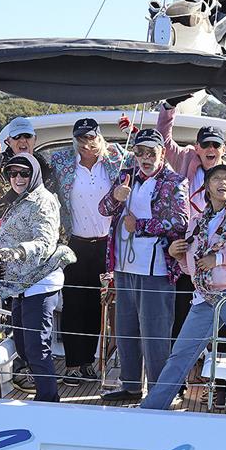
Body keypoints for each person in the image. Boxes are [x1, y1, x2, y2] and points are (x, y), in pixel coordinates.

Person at [141, 164, 226, 415]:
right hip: (204, 298)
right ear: (207, 188)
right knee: (181, 353)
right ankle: (153, 408)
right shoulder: (197, 222)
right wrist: (177, 255)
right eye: (217, 178)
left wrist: (219, 259)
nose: (223, 182)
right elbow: (191, 268)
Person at [155, 97, 226, 400]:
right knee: (182, 344)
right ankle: (158, 402)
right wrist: (169, 107)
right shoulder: (186, 163)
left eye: (216, 145)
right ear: (198, 148)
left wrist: (222, 259)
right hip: (197, 277)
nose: (210, 149)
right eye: (205, 144)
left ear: (223, 150)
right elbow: (164, 140)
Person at [98, 128, 189, 402]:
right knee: (125, 328)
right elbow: (103, 209)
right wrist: (116, 195)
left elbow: (181, 222)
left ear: (161, 154)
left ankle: (162, 390)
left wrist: (140, 226)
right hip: (124, 266)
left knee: (156, 331)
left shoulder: (174, 181)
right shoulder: (127, 175)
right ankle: (131, 386)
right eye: (140, 152)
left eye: (151, 153)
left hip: (156, 269)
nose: (145, 158)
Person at [49, 118, 133, 385]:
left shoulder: (116, 159)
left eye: (92, 139)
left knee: (99, 307)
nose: (88, 145)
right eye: (82, 139)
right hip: (75, 243)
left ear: (100, 138)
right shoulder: (62, 162)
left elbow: (149, 155)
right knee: (73, 304)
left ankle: (89, 363)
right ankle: (74, 364)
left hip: (107, 244)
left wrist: (132, 131)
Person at [0, 154, 75, 403]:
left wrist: (18, 251)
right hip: (20, 284)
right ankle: (43, 395)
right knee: (23, 347)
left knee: (37, 348)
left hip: (39, 283)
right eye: (13, 173)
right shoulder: (19, 199)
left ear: (35, 175)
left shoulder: (43, 200)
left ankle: (48, 400)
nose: (17, 178)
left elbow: (45, 241)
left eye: (24, 173)